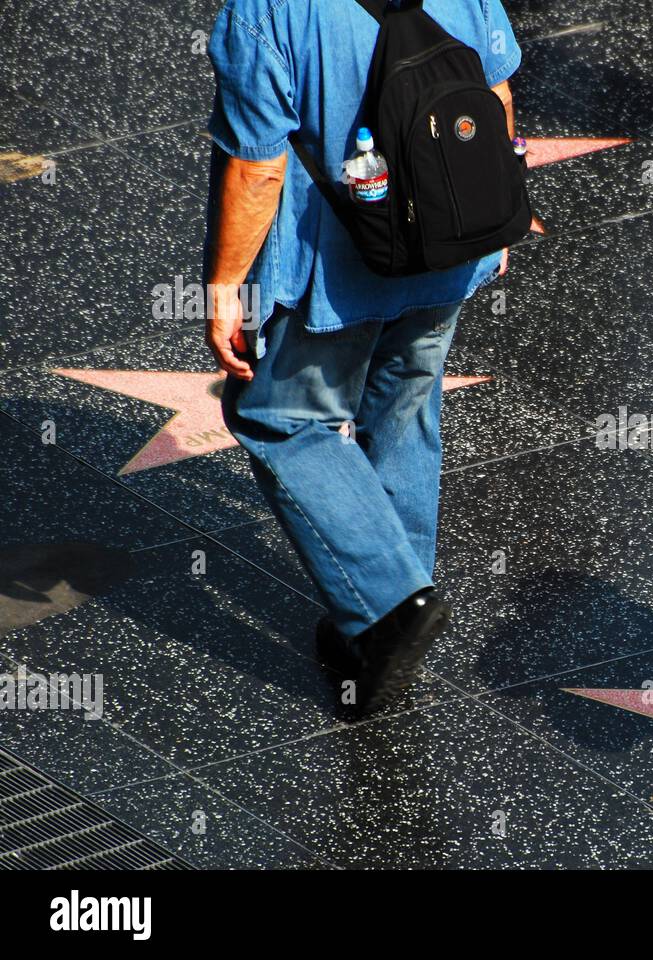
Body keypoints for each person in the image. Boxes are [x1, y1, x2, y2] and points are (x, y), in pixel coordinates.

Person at [203, 0, 521, 712]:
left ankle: (389, 605)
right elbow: (494, 95)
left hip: (335, 266)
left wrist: (225, 285)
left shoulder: (266, 10)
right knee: (407, 402)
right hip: (446, 245)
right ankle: (400, 592)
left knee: (284, 419)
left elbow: (257, 168)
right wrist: (495, 214)